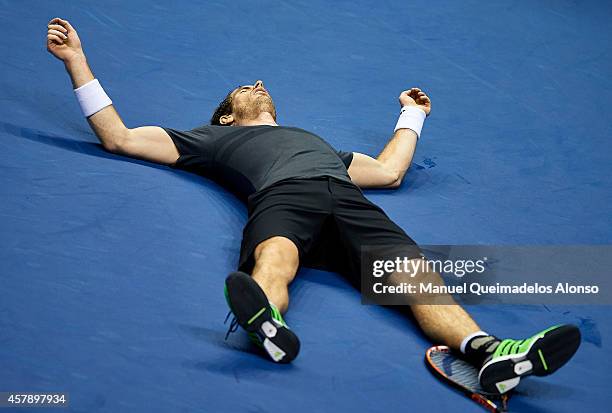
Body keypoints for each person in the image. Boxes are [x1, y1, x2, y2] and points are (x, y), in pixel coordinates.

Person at [46, 17, 581, 394]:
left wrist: (411, 117)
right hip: (285, 196)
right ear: (226, 118)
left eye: (261, 84)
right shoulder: (208, 139)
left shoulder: (323, 145)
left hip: (347, 200)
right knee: (277, 254)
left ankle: (486, 351)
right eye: (244, 88)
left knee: (416, 274)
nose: (257, 83)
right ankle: (268, 320)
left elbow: (389, 172)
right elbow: (118, 137)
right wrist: (77, 61)